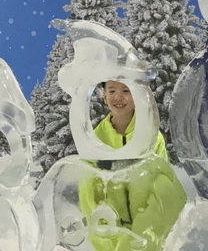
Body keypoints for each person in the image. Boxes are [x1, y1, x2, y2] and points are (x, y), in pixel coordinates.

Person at [78, 81, 186, 251]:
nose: (118, 97)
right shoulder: (95, 139)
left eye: (126, 90)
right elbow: (87, 191)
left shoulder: (150, 136)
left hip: (145, 237)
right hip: (110, 237)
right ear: (104, 97)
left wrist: (143, 234)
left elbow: (162, 189)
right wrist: (104, 232)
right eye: (112, 91)